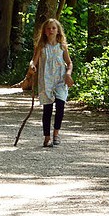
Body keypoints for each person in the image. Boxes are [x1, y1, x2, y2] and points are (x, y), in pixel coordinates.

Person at [30, 18, 76, 148]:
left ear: (58, 30)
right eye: (48, 28)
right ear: (44, 31)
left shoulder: (62, 46)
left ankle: (56, 134)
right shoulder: (41, 46)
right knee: (48, 110)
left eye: (53, 28)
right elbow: (34, 61)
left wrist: (68, 73)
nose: (51, 30)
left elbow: (69, 63)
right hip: (46, 80)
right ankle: (47, 138)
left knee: (60, 106)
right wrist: (32, 67)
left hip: (60, 80)